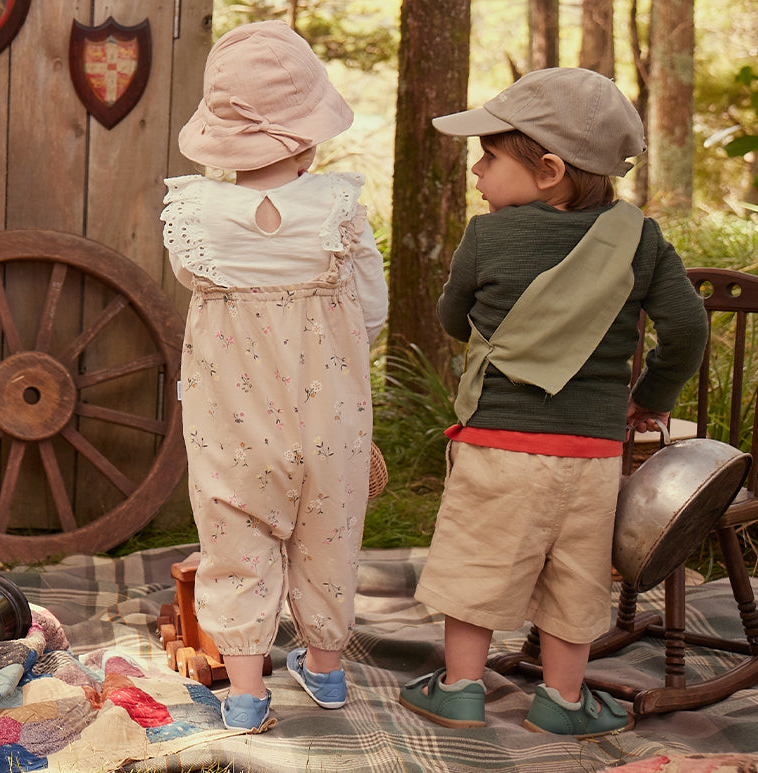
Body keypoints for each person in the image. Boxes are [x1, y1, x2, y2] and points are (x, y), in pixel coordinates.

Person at [398, 67, 707, 738]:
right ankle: (562, 701)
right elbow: (687, 331)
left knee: (477, 562)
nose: (476, 172)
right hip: (591, 454)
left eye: (487, 156)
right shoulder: (643, 240)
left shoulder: (486, 238)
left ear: (546, 169)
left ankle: (459, 689)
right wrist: (649, 397)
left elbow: (455, 318)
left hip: (496, 446)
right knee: (577, 579)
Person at [159, 20, 387, 732]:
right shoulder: (340, 211)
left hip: (233, 416)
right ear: (309, 136)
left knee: (236, 540)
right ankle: (324, 671)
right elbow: (371, 308)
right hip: (329, 414)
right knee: (329, 533)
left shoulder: (193, 216)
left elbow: (195, 293)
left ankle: (247, 694)